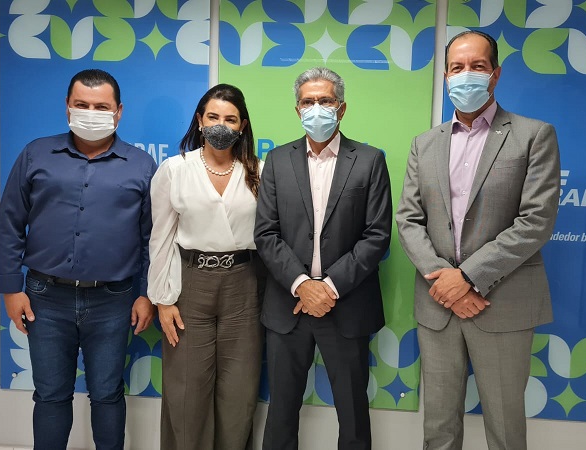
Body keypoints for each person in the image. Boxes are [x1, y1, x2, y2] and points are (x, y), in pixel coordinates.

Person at [395, 30, 561, 450]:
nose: (465, 74)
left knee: (505, 429)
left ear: (495, 74)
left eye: (477, 66)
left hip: (502, 303)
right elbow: (408, 220)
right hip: (438, 305)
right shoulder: (424, 144)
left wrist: (467, 277)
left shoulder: (533, 135)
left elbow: (536, 221)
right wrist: (445, 283)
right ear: (446, 76)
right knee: (439, 427)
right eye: (457, 67)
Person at [0, 69, 157, 450]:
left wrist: (146, 294)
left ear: (118, 112)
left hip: (113, 300)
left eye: (101, 107)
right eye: (82, 105)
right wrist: (10, 290)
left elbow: (153, 238)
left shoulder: (141, 165)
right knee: (50, 395)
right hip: (44, 298)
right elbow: (9, 224)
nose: (90, 113)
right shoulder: (36, 154)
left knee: (107, 394)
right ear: (67, 107)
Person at [254, 67, 392, 450]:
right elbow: (266, 234)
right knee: (281, 415)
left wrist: (328, 288)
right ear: (297, 109)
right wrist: (303, 286)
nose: (316, 108)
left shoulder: (369, 160)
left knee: (353, 414)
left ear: (341, 108)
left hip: (346, 305)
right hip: (289, 307)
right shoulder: (277, 161)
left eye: (325, 100)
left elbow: (377, 235)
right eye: (308, 101)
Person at [148, 84, 264, 450]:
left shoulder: (259, 172)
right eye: (213, 117)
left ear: (242, 126)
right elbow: (161, 238)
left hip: (243, 286)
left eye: (230, 119)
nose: (220, 126)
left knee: (239, 394)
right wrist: (163, 299)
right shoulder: (175, 170)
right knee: (186, 393)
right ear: (199, 120)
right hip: (189, 285)